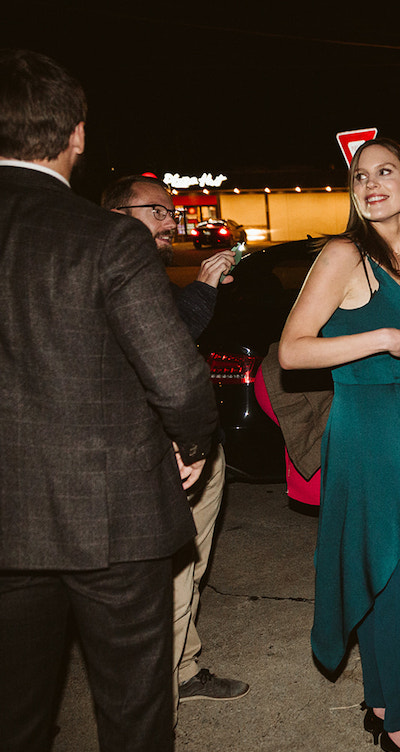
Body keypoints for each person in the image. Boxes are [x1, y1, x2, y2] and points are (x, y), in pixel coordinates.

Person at [0, 49, 218, 752]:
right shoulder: (104, 237)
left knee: (15, 721)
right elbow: (177, 377)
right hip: (110, 515)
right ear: (77, 136)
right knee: (131, 712)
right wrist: (192, 443)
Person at [278, 138, 400, 752]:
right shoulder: (343, 253)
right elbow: (294, 351)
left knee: (396, 573)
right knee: (395, 568)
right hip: (366, 433)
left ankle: (387, 703)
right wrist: (388, 335)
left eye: (385, 171)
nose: (371, 183)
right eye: (361, 175)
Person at [101, 174, 250, 707]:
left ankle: (184, 667)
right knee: (168, 570)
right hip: (163, 448)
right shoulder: (117, 269)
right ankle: (158, 692)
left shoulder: (143, 271)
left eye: (172, 212)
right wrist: (206, 285)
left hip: (188, 444)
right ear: (121, 215)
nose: (172, 221)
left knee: (191, 562)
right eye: (159, 211)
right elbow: (174, 334)